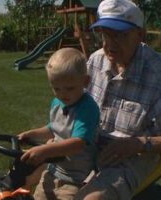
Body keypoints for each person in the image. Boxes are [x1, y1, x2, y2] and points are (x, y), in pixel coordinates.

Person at [74, 0, 161, 199]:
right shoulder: (95, 61)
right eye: (105, 33)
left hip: (132, 157)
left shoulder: (158, 74)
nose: (109, 44)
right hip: (91, 147)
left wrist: (138, 144)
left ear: (140, 35)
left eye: (119, 35)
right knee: (40, 173)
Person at [17, 47, 100, 200]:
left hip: (75, 178)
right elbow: (52, 128)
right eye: (57, 88)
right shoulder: (58, 102)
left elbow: (77, 143)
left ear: (85, 81)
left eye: (69, 88)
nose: (63, 94)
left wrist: (45, 150)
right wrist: (30, 134)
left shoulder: (87, 108)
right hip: (52, 171)